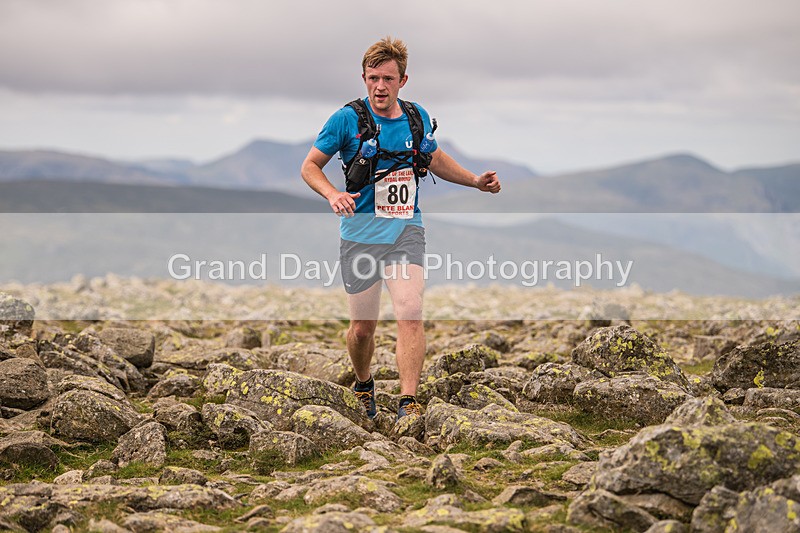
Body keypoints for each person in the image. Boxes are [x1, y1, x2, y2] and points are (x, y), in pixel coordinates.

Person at [300, 36, 501, 422]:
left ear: (402, 81)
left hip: (407, 227)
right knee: (362, 329)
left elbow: (434, 158)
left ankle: (408, 402)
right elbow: (310, 166)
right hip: (359, 235)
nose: (380, 86)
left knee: (410, 310)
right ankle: (363, 384)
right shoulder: (345, 120)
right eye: (373, 78)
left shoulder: (416, 117)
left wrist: (475, 181)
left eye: (388, 79)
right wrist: (332, 194)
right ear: (364, 78)